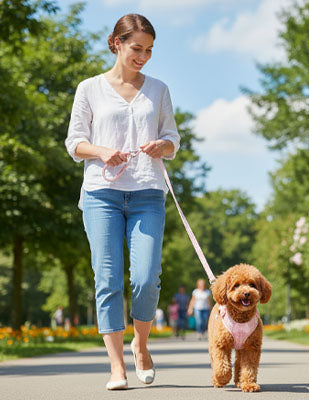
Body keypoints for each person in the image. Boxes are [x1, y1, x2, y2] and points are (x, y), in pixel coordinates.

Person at [65, 14, 180, 390]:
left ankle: (141, 346)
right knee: (108, 278)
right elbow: (75, 143)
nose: (143, 56)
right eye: (136, 48)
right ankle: (116, 366)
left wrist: (161, 145)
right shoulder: (89, 88)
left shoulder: (159, 89)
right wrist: (101, 151)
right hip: (102, 193)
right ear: (116, 42)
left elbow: (172, 139)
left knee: (147, 278)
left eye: (149, 50)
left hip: (148, 190)